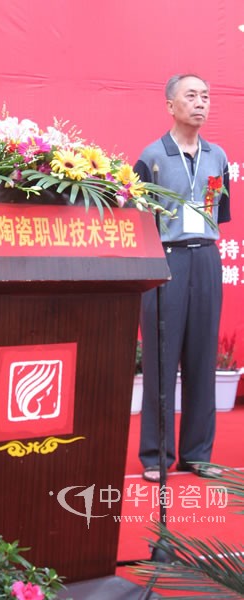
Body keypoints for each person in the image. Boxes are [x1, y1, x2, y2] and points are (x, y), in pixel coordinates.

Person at [135, 74, 231, 482]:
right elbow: (139, 219)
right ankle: (156, 456)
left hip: (206, 257)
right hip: (166, 260)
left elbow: (218, 212)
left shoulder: (217, 156)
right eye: (190, 96)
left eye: (205, 96)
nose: (200, 103)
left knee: (201, 358)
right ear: (170, 105)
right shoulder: (152, 157)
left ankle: (197, 454)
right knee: (161, 358)